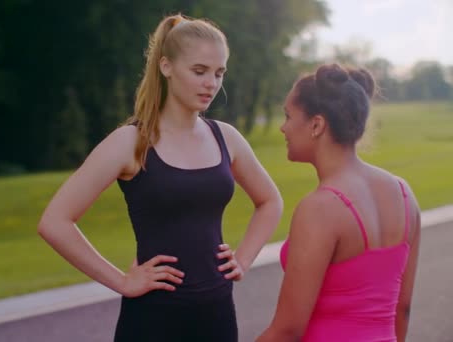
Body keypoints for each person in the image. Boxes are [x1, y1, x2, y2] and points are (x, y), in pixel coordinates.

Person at [37, 13, 283, 342]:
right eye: (199, 71)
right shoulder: (130, 142)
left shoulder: (226, 137)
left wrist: (243, 259)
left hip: (217, 315)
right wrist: (122, 281)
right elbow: (55, 222)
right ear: (166, 67)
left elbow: (270, 201)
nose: (211, 83)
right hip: (153, 320)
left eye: (219, 73)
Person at [256, 64, 421, 342]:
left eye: (288, 116)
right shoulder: (405, 194)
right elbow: (402, 310)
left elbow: (286, 332)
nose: (283, 127)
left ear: (317, 125)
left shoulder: (320, 208)